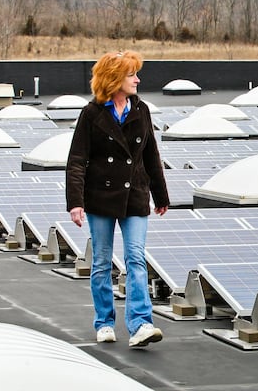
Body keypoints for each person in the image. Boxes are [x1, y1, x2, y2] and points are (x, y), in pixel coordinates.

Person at [66, 50, 170, 348]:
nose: (137, 79)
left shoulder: (142, 110)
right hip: (100, 197)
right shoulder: (92, 113)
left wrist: (160, 196)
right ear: (114, 79)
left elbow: (151, 155)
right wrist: (75, 202)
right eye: (131, 75)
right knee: (101, 261)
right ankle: (104, 322)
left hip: (134, 195)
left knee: (136, 257)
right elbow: (76, 160)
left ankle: (141, 324)